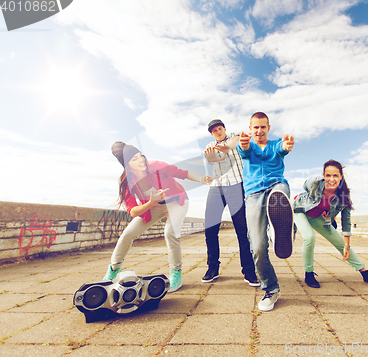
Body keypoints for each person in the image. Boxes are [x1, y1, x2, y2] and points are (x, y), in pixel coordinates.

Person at [104, 141, 211, 293]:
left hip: (177, 202)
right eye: (134, 159)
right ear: (127, 165)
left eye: (140, 156)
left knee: (170, 232)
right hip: (153, 206)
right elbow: (133, 211)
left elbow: (183, 173)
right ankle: (114, 268)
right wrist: (151, 203)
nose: (141, 160)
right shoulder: (127, 181)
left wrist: (201, 179)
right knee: (128, 233)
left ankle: (176, 272)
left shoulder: (157, 166)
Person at [237, 112, 295, 311]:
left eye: (263, 127)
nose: (259, 131)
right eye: (256, 127)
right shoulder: (246, 145)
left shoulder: (275, 145)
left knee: (280, 195)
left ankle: (286, 230)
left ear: (268, 128)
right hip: (253, 195)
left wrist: (287, 145)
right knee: (258, 247)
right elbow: (243, 150)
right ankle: (271, 288)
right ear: (250, 128)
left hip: (276, 186)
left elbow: (283, 148)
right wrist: (244, 144)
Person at [293, 160, 368, 288]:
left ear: (341, 177)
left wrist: (347, 245)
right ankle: (309, 274)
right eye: (328, 175)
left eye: (335, 175)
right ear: (323, 175)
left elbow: (346, 221)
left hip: (316, 216)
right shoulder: (316, 183)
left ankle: (364, 272)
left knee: (340, 242)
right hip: (300, 209)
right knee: (309, 237)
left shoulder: (344, 196)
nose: (331, 179)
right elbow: (305, 185)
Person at [202, 119, 259, 286]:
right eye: (214, 131)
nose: (218, 132)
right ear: (211, 134)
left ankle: (249, 271)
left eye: (220, 128)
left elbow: (236, 141)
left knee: (242, 230)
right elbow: (212, 159)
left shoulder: (234, 136)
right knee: (210, 229)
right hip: (217, 187)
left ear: (224, 129)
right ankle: (212, 268)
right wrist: (215, 154)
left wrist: (227, 147)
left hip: (236, 185)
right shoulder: (210, 146)